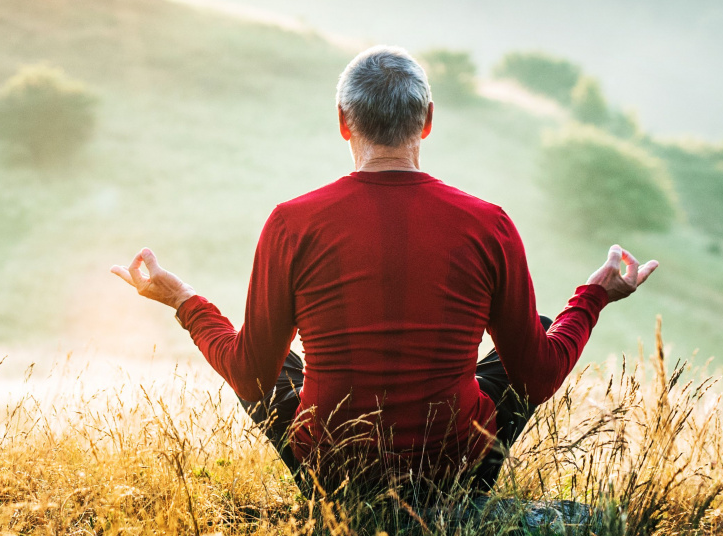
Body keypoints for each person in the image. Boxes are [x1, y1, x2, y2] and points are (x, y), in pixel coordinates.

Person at [110, 45, 658, 503]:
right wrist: (594, 296)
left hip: (333, 473)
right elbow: (536, 377)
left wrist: (183, 300)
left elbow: (253, 378)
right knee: (536, 331)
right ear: (427, 119)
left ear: (344, 123)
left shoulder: (291, 223)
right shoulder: (489, 225)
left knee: (269, 363)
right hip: (453, 474)